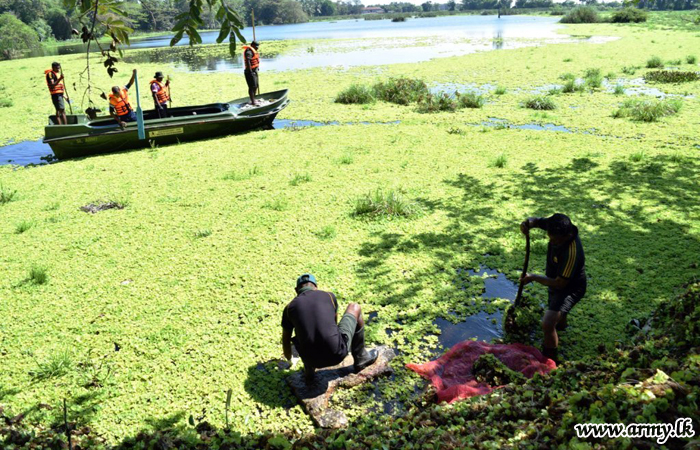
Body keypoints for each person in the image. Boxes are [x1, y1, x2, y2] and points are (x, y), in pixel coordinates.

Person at [282, 274, 379, 384]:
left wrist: (289, 361)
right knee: (354, 307)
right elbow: (333, 324)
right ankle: (362, 358)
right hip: (337, 354)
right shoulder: (329, 296)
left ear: (296, 290)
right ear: (316, 287)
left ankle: (309, 373)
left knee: (303, 330)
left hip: (310, 360)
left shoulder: (289, 308)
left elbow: (285, 340)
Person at [519, 214, 586, 362]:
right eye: (550, 238)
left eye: (555, 240)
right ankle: (561, 329)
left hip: (571, 287)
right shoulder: (555, 225)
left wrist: (533, 277)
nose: (552, 241)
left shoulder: (572, 253)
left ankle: (549, 361)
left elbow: (560, 284)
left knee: (548, 323)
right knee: (558, 314)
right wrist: (526, 224)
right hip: (555, 279)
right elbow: (536, 221)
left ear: (567, 236)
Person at [242, 41, 260, 106]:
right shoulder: (249, 51)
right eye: (256, 46)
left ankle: (253, 99)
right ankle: (253, 102)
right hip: (249, 72)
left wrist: (257, 68)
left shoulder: (254, 51)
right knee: (252, 86)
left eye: (258, 46)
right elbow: (248, 61)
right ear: (252, 45)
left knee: (256, 86)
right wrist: (250, 71)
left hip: (254, 70)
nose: (257, 48)